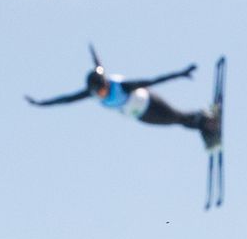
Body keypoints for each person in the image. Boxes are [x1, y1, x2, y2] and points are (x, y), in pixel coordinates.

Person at [27, 47, 228, 211]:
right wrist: (41, 103)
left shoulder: (121, 86)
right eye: (98, 92)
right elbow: (67, 99)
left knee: (176, 116)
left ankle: (207, 119)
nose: (102, 94)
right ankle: (203, 125)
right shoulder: (94, 94)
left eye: (103, 89)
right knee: (175, 122)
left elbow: (152, 80)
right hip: (141, 116)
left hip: (150, 103)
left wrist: (181, 73)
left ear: (105, 83)